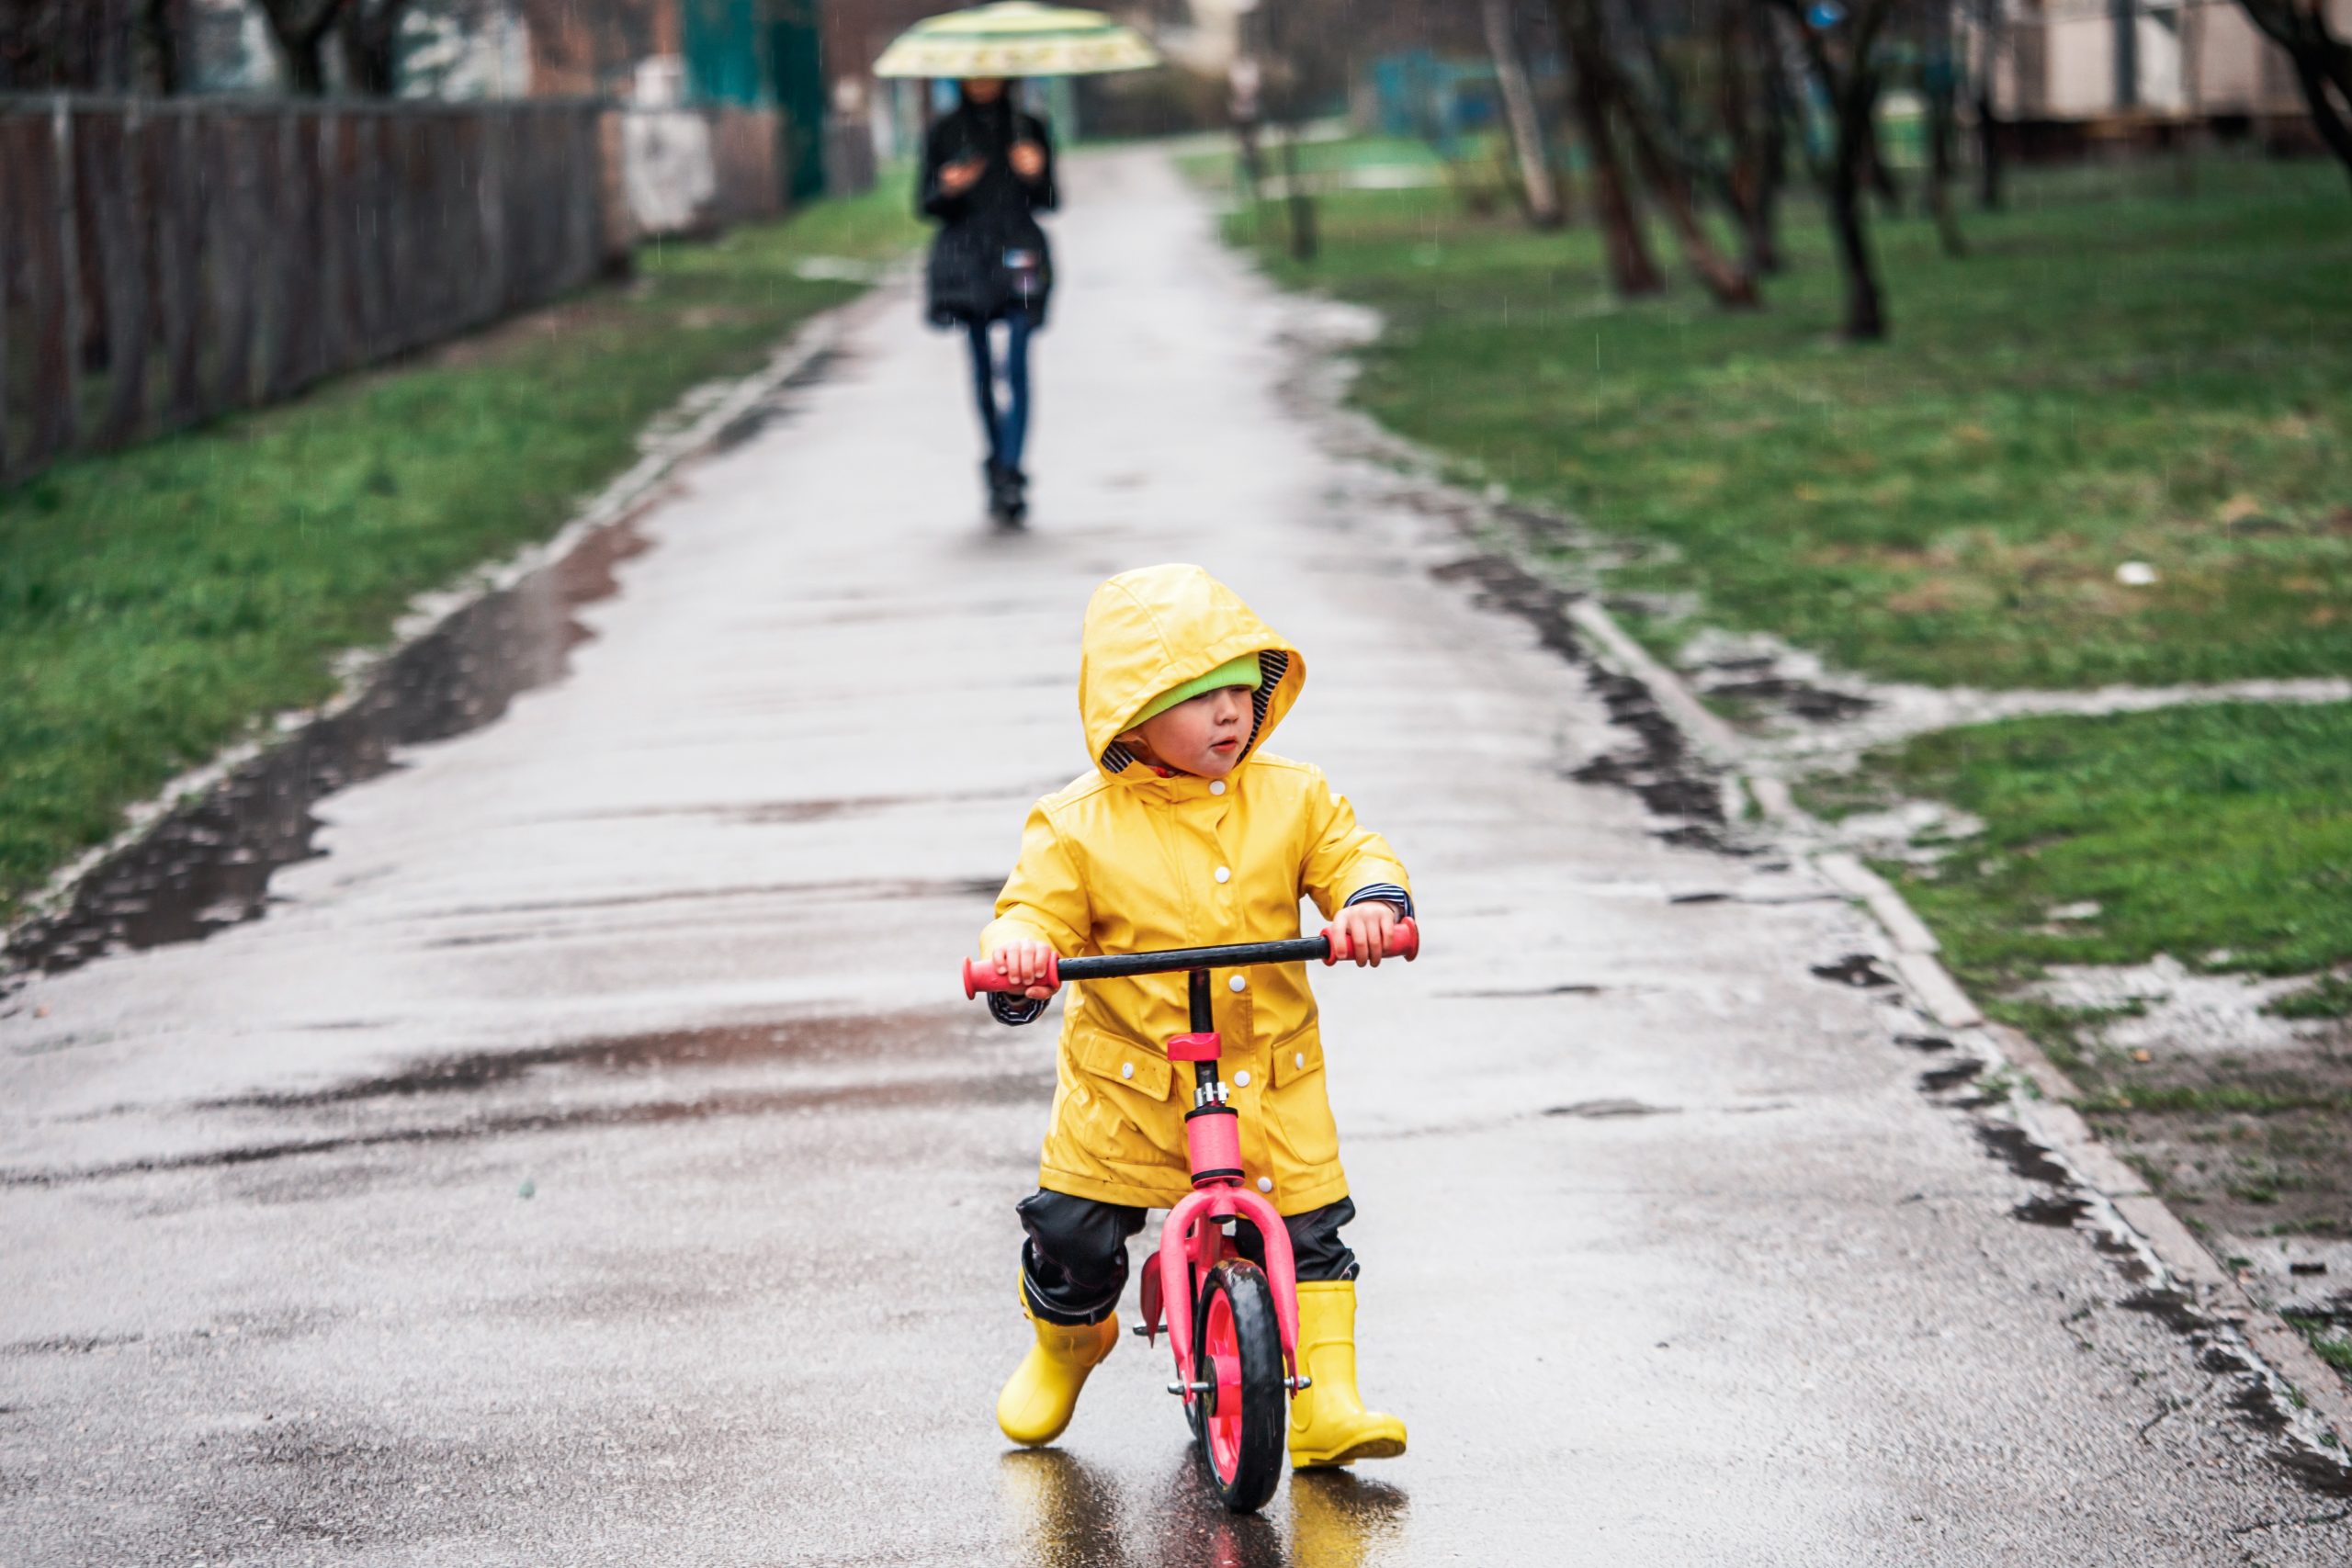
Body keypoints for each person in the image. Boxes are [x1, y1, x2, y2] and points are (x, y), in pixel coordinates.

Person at [976, 563, 1414, 1468]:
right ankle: (1068, 1343)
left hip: (1268, 1079)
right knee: (1072, 1235)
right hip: (1129, 1086)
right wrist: (1021, 953)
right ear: (1131, 717)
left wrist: (1369, 902)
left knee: (1312, 1231)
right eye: (1196, 696)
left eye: (1238, 689)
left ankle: (1327, 1400)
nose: (1228, 714)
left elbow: (1350, 851)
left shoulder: (1291, 793)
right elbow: (1035, 910)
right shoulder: (1076, 825)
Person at [920, 76, 1057, 526]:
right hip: (966, 259)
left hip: (1019, 250)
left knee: (1017, 360)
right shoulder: (944, 131)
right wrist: (949, 187)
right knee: (981, 369)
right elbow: (926, 204)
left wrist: (1035, 173)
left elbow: (1052, 200)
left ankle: (1012, 468)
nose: (983, 81)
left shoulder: (1028, 126)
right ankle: (996, 463)